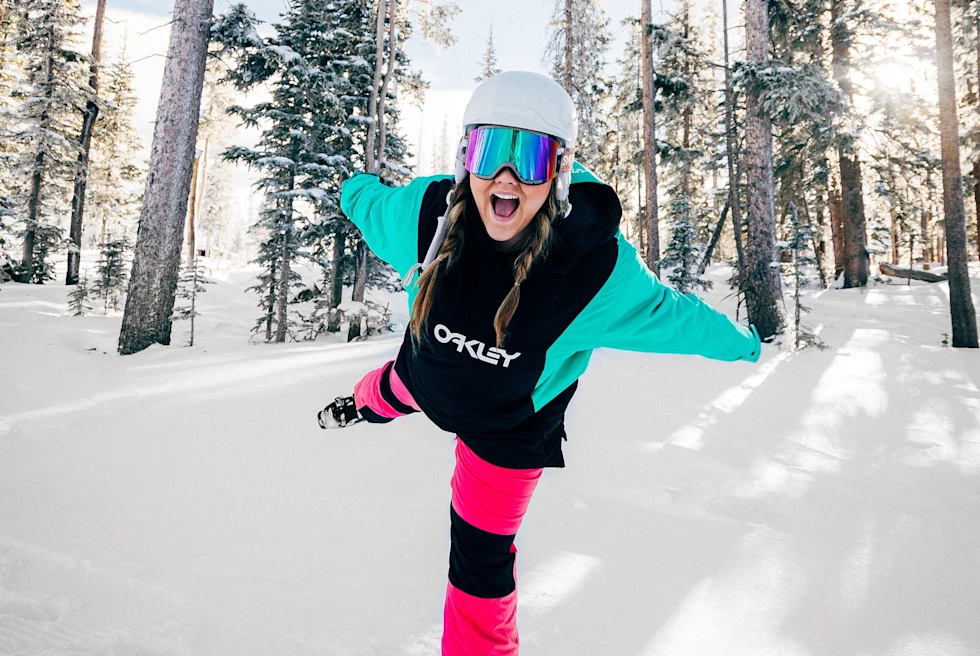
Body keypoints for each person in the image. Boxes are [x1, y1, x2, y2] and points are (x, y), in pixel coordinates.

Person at [320, 71, 761, 655]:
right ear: (466, 160)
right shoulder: (425, 218)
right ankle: (357, 408)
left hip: (508, 434)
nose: (506, 177)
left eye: (527, 158)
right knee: (390, 390)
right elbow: (370, 206)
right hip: (424, 376)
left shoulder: (591, 271)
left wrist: (743, 344)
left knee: (480, 566)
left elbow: (673, 316)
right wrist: (351, 186)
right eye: (490, 152)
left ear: (557, 171)